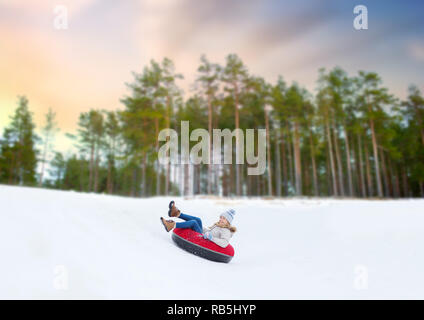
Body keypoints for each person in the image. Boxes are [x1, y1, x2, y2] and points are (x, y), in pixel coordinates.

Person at [160, 201, 237, 248]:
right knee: (198, 220)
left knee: (193, 222)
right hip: (204, 235)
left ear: (228, 222)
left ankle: (172, 225)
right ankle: (177, 214)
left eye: (224, 218)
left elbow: (224, 243)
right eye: (221, 217)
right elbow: (208, 231)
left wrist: (211, 238)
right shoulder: (218, 225)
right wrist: (201, 227)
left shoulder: (226, 231)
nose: (221, 219)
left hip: (205, 240)